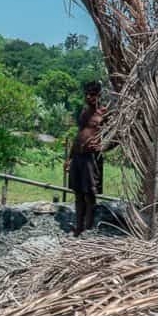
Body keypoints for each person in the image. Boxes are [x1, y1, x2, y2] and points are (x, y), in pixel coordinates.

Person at [66, 81, 110, 236]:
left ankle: (88, 228)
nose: (88, 97)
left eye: (92, 94)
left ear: (99, 96)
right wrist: (69, 158)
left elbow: (118, 134)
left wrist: (103, 146)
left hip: (91, 158)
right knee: (78, 193)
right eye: (86, 94)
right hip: (78, 156)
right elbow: (79, 135)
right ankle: (79, 227)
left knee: (89, 194)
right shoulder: (84, 112)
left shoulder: (104, 113)